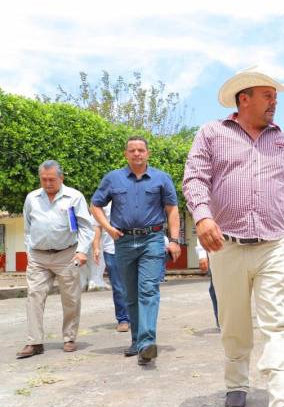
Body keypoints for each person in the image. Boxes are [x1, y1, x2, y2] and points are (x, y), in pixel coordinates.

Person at [183, 67, 284, 407]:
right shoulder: (212, 133)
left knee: (277, 324)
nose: (275, 102)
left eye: (275, 96)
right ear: (244, 99)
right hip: (226, 246)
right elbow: (195, 178)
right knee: (234, 323)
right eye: (268, 95)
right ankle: (237, 382)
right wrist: (203, 216)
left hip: (274, 246)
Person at [91, 136, 181, 366]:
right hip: (123, 242)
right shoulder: (113, 178)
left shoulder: (161, 178)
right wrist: (108, 228)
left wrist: (174, 240)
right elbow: (95, 205)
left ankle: (147, 342)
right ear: (126, 154)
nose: (137, 153)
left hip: (152, 239)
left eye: (141, 150)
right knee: (130, 294)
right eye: (132, 150)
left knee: (148, 289)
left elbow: (172, 210)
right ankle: (137, 341)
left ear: (148, 153)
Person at [17, 160, 93, 358]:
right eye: (44, 179)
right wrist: (29, 252)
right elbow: (27, 228)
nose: (48, 183)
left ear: (61, 178)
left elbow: (86, 227)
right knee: (34, 297)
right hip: (38, 257)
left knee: (71, 298)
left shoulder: (74, 197)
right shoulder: (32, 198)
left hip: (67, 254)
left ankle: (69, 338)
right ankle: (34, 342)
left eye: (51, 179)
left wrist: (82, 251)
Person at [91, 203, 130, 332]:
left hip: (132, 249)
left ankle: (136, 317)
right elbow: (97, 227)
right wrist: (96, 247)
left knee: (135, 285)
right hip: (111, 250)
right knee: (118, 287)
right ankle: (123, 319)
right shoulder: (102, 203)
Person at [195, 241, 219, 329]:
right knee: (215, 288)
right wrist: (202, 254)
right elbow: (202, 233)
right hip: (216, 252)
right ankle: (220, 320)